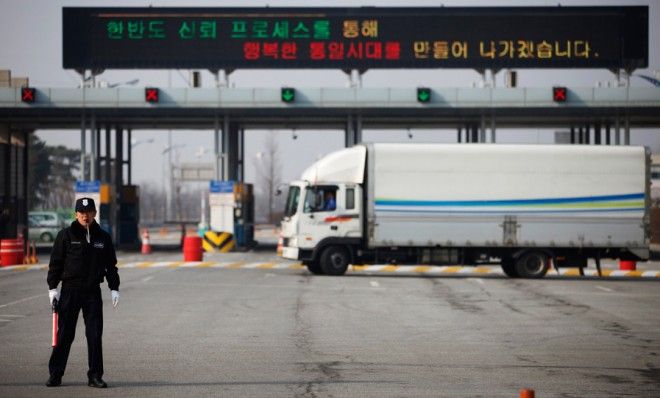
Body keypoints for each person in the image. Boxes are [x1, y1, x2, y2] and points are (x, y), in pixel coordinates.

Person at [46, 197, 120, 388]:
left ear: (95, 213)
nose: (85, 216)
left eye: (89, 212)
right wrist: (53, 288)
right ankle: (56, 374)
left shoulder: (102, 237)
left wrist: (114, 288)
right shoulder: (66, 235)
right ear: (76, 214)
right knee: (65, 335)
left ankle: (95, 376)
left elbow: (111, 265)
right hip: (70, 291)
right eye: (81, 213)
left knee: (94, 335)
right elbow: (55, 263)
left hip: (92, 293)